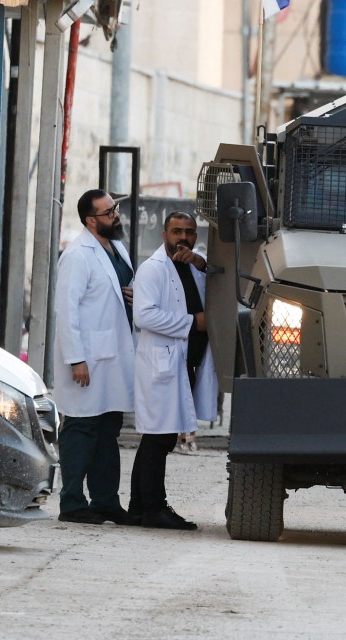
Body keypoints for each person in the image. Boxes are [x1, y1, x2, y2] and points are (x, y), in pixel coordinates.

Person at [129, 211, 217, 530]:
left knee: (159, 437)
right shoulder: (153, 269)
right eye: (177, 231)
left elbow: (213, 279)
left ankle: (138, 508)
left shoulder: (193, 266)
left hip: (183, 361)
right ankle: (154, 508)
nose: (183, 237)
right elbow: (145, 317)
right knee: (159, 436)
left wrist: (200, 263)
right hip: (161, 363)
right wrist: (193, 322)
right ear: (164, 234)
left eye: (189, 232)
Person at [52, 189, 136, 525]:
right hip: (88, 359)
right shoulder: (77, 255)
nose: (116, 215)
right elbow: (66, 310)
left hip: (112, 355)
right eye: (108, 211)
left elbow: (114, 293)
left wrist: (132, 294)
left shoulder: (116, 247)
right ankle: (71, 502)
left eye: (115, 209)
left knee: (107, 430)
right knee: (80, 428)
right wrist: (76, 359)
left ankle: (105, 501)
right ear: (90, 220)